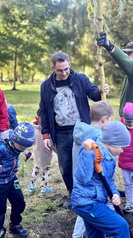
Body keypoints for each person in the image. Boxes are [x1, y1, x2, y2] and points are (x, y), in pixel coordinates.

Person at [40, 51, 110, 208]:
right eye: (59, 70)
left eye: (66, 68)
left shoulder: (80, 79)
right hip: (60, 132)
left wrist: (102, 91)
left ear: (69, 64)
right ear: (53, 68)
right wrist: (45, 134)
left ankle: (93, 191)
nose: (64, 73)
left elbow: (94, 94)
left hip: (81, 129)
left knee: (86, 161)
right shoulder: (46, 86)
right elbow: (43, 111)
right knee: (66, 166)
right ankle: (73, 194)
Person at [71, 121, 131, 238]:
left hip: (96, 200)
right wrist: (88, 154)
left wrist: (114, 193)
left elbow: (108, 179)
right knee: (121, 226)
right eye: (122, 147)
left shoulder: (109, 155)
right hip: (86, 203)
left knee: (97, 234)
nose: (122, 151)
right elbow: (82, 178)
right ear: (113, 143)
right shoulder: (91, 151)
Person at [96, 32, 133, 137]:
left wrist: (110, 47)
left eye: (129, 53)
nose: (127, 56)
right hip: (131, 121)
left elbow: (128, 64)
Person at [72, 100, 114, 238]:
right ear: (104, 119)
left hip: (80, 182)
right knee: (107, 211)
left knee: (85, 214)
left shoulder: (81, 134)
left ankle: (77, 235)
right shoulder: (97, 139)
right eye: (110, 120)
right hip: (93, 186)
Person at [0, 122, 35, 238]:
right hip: (0, 182)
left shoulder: (18, 143)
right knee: (1, 208)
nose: (23, 150)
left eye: (25, 148)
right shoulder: (1, 145)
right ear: (13, 141)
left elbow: (23, 148)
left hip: (11, 177)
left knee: (19, 201)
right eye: (21, 148)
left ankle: (15, 225)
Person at [28, 109, 57, 194]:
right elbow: (52, 144)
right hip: (45, 155)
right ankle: (44, 188)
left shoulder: (34, 129)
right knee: (46, 171)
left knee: (36, 169)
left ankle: (32, 186)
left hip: (36, 153)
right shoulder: (47, 133)